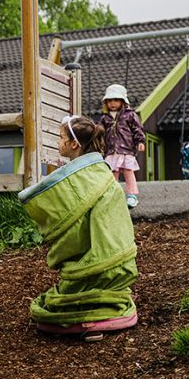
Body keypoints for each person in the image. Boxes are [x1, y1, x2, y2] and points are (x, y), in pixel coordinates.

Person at [18, 115, 138, 342]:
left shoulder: (86, 177)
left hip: (103, 261)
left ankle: (86, 313)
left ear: (74, 144)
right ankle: (99, 310)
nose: (57, 142)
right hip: (116, 265)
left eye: (61, 137)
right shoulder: (95, 174)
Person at [99, 84, 146, 208]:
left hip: (126, 149)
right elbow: (100, 133)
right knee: (112, 173)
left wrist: (140, 141)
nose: (112, 103)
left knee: (128, 172)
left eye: (115, 100)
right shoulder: (105, 118)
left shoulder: (129, 115)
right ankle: (113, 195)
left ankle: (132, 195)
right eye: (109, 101)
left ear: (122, 101)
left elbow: (137, 129)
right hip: (111, 150)